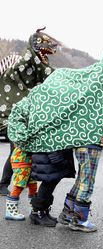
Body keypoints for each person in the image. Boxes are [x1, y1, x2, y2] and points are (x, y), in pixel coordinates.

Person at [7, 45, 103, 230]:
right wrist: (25, 137)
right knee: (49, 179)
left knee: (52, 178)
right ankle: (38, 212)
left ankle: (42, 211)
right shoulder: (44, 97)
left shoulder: (46, 97)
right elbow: (18, 116)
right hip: (47, 147)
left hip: (52, 145)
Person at [0, 28, 58, 196]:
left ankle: (23, 183)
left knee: (22, 150)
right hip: (11, 115)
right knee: (18, 150)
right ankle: (6, 184)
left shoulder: (36, 69)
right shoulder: (17, 67)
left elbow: (47, 74)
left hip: (21, 116)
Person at [5, 146, 37, 221]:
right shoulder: (21, 135)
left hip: (29, 162)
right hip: (21, 161)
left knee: (33, 185)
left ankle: (34, 208)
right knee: (19, 186)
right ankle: (10, 211)